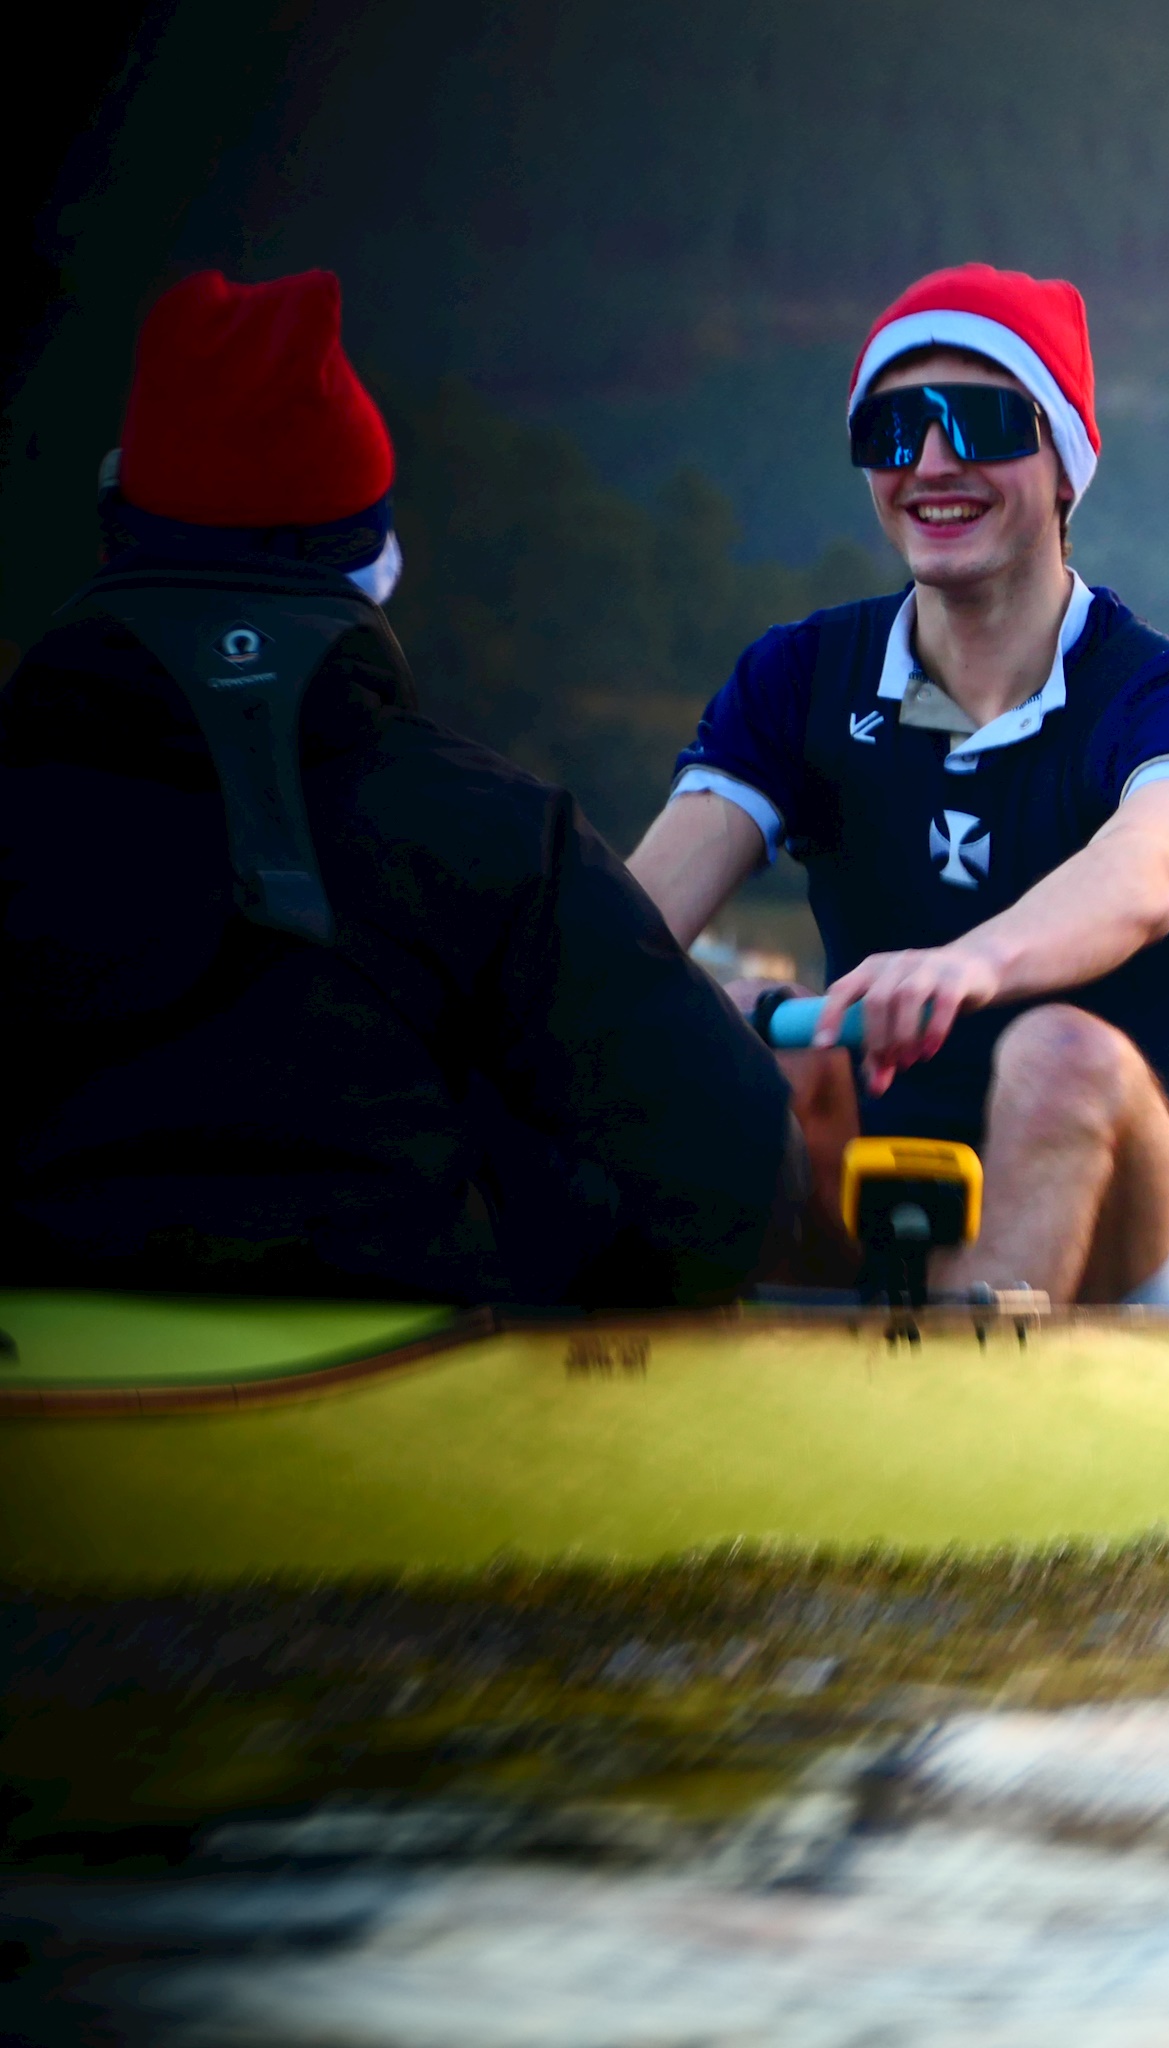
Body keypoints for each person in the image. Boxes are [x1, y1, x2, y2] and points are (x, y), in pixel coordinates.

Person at [0, 269, 798, 1304]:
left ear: (122, 533)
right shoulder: (498, 838)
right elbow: (743, 1190)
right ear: (367, 555)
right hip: (399, 1423)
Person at [630, 265, 1169, 1304]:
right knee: (733, 1022)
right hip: (861, 1187)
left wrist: (973, 963)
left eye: (977, 423)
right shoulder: (797, 677)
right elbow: (636, 922)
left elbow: (1149, 869)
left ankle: (966, 1400)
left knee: (1058, 1049)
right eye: (892, 430)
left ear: (1065, 464)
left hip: (1116, 1224)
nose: (930, 462)